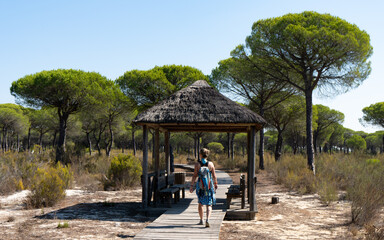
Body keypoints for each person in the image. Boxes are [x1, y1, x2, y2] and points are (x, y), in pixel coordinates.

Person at [189, 148, 218, 227]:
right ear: (207, 155)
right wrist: (215, 184)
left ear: (200, 154)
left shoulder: (197, 164)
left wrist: (191, 186)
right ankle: (207, 219)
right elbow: (214, 176)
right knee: (209, 204)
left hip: (200, 186)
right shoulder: (211, 164)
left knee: (200, 203)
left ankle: (201, 220)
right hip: (209, 185)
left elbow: (195, 176)